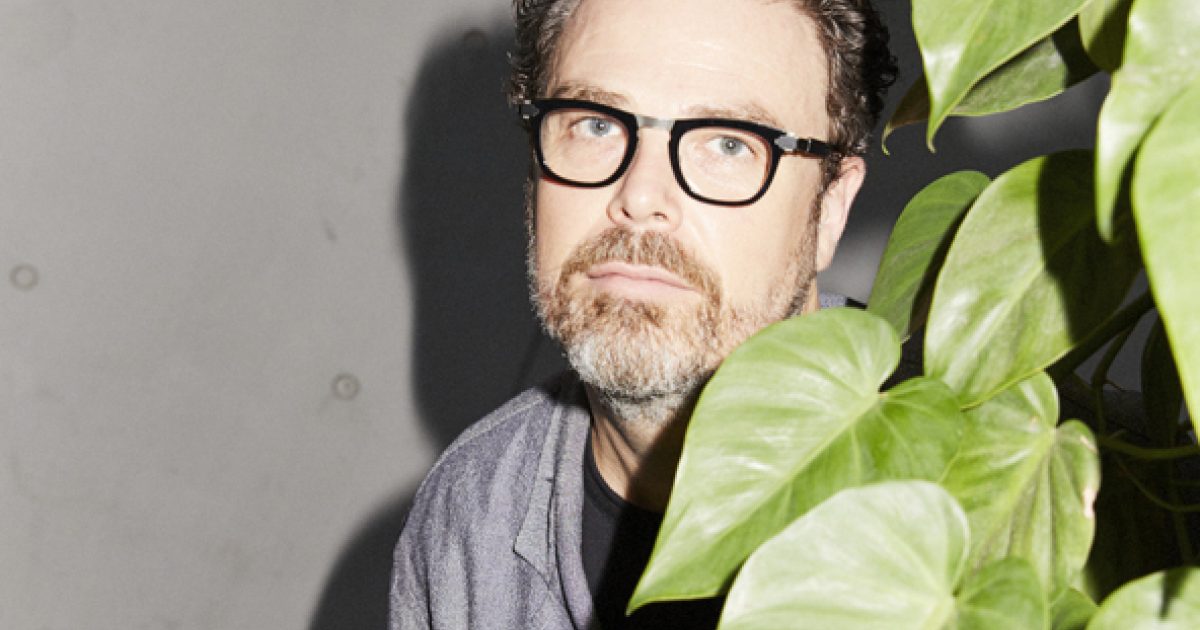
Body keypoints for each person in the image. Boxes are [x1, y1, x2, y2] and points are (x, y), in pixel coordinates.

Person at [389, 0, 895, 627]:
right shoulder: (468, 515)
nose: (640, 196)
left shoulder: (972, 481)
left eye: (729, 143)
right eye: (595, 124)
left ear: (831, 209)